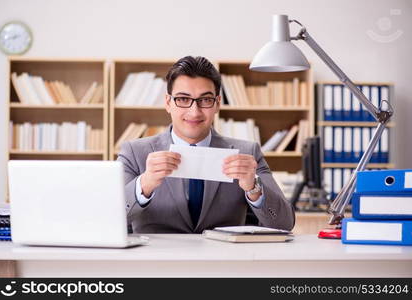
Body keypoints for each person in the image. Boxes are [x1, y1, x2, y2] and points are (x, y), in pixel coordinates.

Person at [117, 56, 295, 233]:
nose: (194, 112)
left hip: (222, 258)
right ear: (168, 103)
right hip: (158, 259)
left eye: (205, 100)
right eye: (183, 99)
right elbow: (109, 218)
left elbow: (284, 223)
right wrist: (144, 184)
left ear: (217, 103)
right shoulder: (134, 152)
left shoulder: (247, 153)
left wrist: (254, 188)